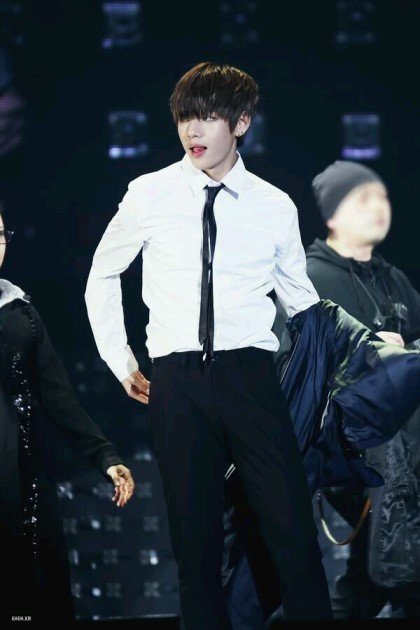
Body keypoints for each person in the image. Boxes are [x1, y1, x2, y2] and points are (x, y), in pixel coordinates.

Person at [85, 61, 332, 627]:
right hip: (177, 385)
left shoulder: (274, 205)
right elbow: (102, 273)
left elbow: (305, 304)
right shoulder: (149, 193)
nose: (192, 130)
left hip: (252, 380)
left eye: (209, 117)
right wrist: (121, 360)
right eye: (184, 118)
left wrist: (345, 363)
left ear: (241, 123)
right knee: (194, 550)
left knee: (293, 536)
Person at [0, 203, 135, 624]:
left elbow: (58, 397)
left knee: (42, 598)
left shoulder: (20, 311)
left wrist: (105, 457)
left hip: (25, 483)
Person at [307, 159, 420, 618]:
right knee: (392, 557)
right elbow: (298, 364)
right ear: (333, 214)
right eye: (363, 199)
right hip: (347, 448)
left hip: (405, 444)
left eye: (382, 197)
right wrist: (369, 349)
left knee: (374, 574)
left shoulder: (393, 280)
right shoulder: (310, 278)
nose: (378, 207)